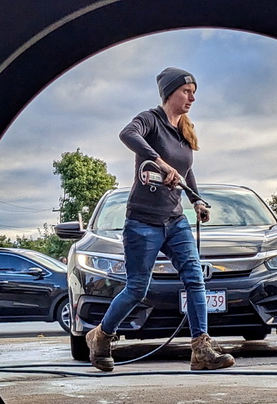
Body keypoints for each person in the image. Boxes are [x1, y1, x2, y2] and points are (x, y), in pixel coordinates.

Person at [85, 67, 235, 372]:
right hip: (143, 222)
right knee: (137, 289)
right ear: (170, 93)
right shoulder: (150, 119)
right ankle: (101, 336)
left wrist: (197, 200)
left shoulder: (186, 129)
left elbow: (185, 169)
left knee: (194, 278)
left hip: (175, 220)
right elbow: (127, 134)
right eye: (186, 91)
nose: (192, 97)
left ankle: (201, 350)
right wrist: (158, 160)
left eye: (194, 91)